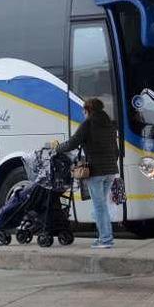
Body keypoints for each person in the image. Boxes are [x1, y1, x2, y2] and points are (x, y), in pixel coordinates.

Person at [56, 98, 120, 249]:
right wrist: (110, 163)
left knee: (100, 206)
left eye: (84, 111)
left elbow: (73, 142)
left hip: (96, 171)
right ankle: (102, 238)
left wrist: (57, 148)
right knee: (102, 205)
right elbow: (116, 150)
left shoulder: (88, 123)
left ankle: (105, 239)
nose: (83, 114)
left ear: (88, 110)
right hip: (110, 170)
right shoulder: (109, 124)